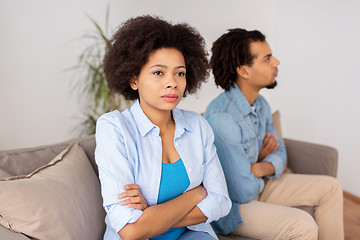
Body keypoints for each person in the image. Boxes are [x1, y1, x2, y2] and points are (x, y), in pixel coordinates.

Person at [94, 15, 231, 240]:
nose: (172, 82)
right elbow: (131, 230)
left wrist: (150, 215)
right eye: (159, 72)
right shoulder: (114, 128)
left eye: (180, 73)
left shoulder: (198, 126)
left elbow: (221, 202)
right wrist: (195, 194)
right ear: (134, 79)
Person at [204, 28, 344, 240]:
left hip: (257, 185)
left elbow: (280, 153)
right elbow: (241, 191)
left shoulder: (262, 105)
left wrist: (257, 167)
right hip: (232, 206)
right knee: (303, 225)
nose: (276, 62)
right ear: (243, 70)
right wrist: (258, 169)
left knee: (331, 187)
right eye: (267, 58)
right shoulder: (222, 119)